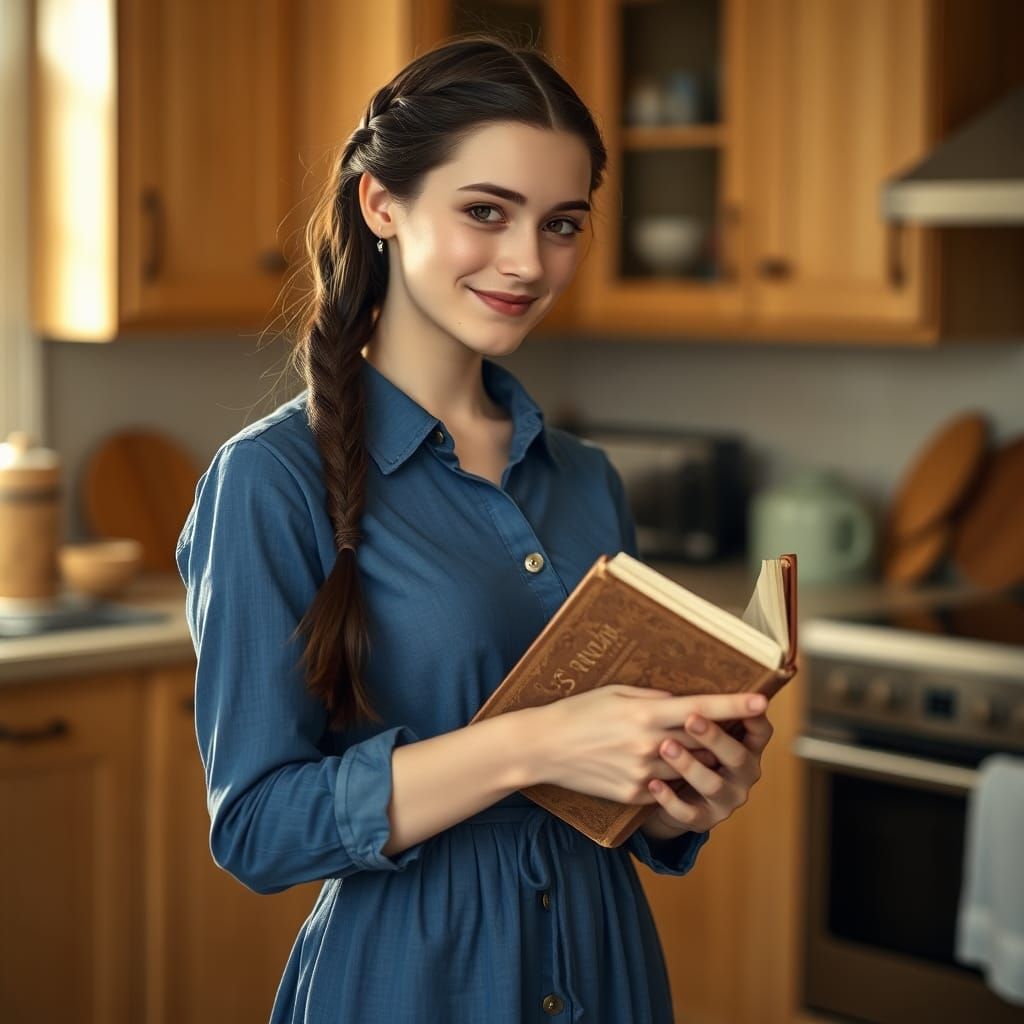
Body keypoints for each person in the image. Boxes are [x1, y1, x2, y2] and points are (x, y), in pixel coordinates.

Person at [175, 33, 775, 1023]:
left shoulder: (586, 479)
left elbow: (611, 800)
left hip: (608, 969)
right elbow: (258, 828)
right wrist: (532, 744)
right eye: (486, 211)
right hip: (412, 981)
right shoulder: (269, 480)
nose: (527, 261)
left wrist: (688, 792)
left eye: (562, 223)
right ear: (383, 205)